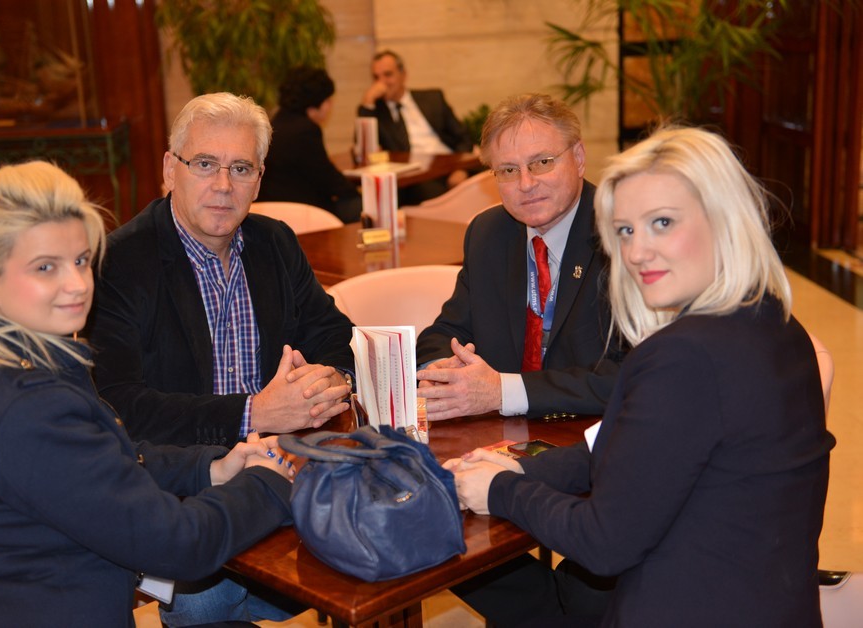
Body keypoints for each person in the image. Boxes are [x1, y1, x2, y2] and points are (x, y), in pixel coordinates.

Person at [447, 126, 835, 627]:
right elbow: (629, 450)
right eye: (626, 231)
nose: (636, 253)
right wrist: (522, 470)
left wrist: (501, 490)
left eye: (662, 223)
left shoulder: (685, 355)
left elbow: (604, 542)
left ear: (724, 218)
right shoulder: (774, 321)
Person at [0, 161, 296, 627]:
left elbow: (97, 460)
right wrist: (267, 484)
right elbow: (179, 545)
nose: (77, 285)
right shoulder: (30, 408)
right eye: (45, 267)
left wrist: (209, 467)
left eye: (81, 260)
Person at [85, 92, 355, 625]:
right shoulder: (119, 262)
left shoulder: (274, 242)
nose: (224, 185)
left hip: (286, 464)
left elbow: (331, 332)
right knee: (207, 600)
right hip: (187, 487)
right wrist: (254, 412)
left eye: (241, 168)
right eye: (205, 164)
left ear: (259, 179)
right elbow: (118, 406)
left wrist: (323, 384)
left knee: (377, 548)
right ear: (171, 169)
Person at [416, 93, 622, 421]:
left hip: (594, 434)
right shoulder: (488, 234)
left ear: (579, 158)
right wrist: (442, 369)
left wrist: (503, 392)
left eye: (542, 163)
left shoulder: (621, 235)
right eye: (509, 170)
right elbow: (447, 332)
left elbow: (628, 373)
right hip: (501, 435)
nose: (526, 184)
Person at [357, 49, 474, 203]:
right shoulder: (375, 112)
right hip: (418, 177)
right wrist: (367, 103)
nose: (382, 83)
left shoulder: (433, 98)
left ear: (403, 74)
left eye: (388, 75)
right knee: (429, 193)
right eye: (376, 77)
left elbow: (463, 136)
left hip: (450, 165)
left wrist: (461, 168)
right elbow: (362, 149)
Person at [257, 66, 362, 223]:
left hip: (272, 209)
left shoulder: (275, 122)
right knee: (361, 205)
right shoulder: (306, 130)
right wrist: (357, 192)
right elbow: (329, 179)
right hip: (305, 212)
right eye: (328, 100)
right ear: (318, 102)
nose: (330, 106)